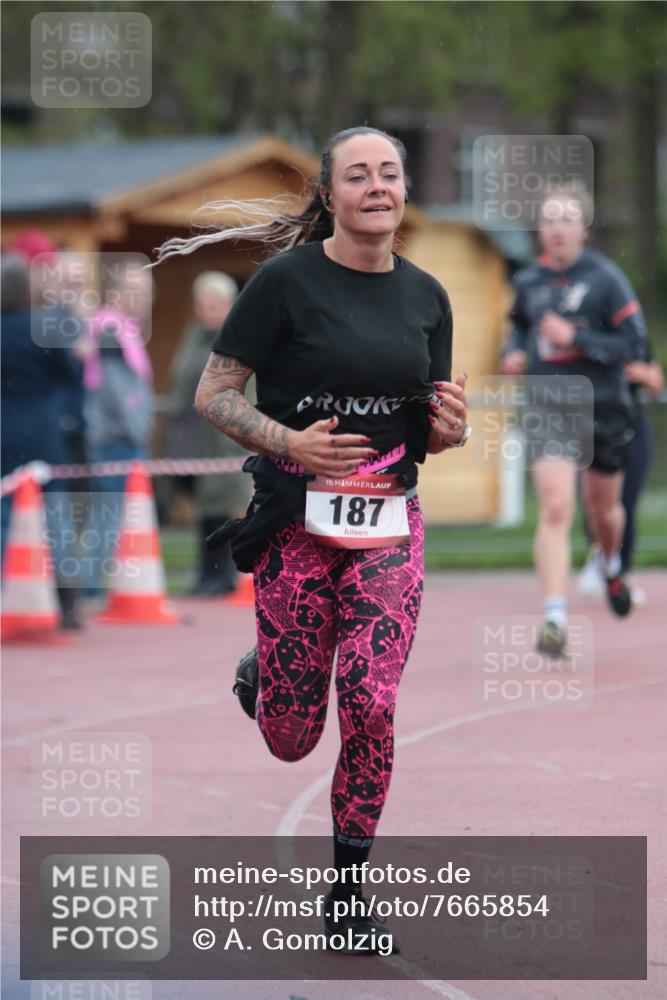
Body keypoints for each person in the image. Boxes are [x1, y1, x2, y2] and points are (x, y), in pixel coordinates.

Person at [154, 126, 470, 953]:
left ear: (404, 193)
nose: (377, 186)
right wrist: (289, 443)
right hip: (295, 523)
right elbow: (213, 396)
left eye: (391, 174)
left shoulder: (429, 296)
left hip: (388, 527)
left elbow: (429, 429)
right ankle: (267, 671)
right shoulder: (283, 284)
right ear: (328, 194)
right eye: (358, 175)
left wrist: (449, 430)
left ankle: (348, 895)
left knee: (369, 703)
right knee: (292, 740)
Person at [501, 183, 646, 656]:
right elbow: (519, 326)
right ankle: (554, 621)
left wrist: (577, 340)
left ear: (583, 228)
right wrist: (515, 353)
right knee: (557, 508)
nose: (558, 230)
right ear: (540, 230)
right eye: (549, 220)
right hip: (550, 403)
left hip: (604, 407)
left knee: (603, 511)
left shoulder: (606, 279)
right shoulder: (528, 281)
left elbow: (634, 348)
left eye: (567, 220)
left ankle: (610, 565)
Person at [0, 253, 84, 628]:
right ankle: (67, 607)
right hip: (46, 436)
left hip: (4, 435)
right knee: (54, 520)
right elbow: (73, 373)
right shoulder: (45, 327)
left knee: (4, 517)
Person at [162, 272, 254, 596]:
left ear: (230, 305)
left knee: (222, 509)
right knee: (204, 511)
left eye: (215, 304)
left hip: (225, 442)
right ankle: (206, 575)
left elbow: (246, 394)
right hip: (193, 440)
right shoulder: (193, 337)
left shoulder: (238, 339)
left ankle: (221, 576)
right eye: (203, 304)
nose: (208, 310)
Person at [78, 258, 154, 597]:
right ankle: (90, 588)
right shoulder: (111, 329)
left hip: (119, 436)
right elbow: (116, 390)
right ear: (116, 294)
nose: (143, 298)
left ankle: (92, 585)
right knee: (109, 517)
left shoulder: (123, 328)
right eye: (135, 291)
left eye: (147, 292)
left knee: (109, 516)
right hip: (115, 438)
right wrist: (139, 429)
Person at [579, 351, 664, 603]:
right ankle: (602, 560)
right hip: (591, 427)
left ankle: (620, 575)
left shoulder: (632, 335)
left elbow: (656, 384)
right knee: (596, 505)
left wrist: (644, 374)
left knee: (626, 503)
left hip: (632, 429)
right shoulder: (584, 334)